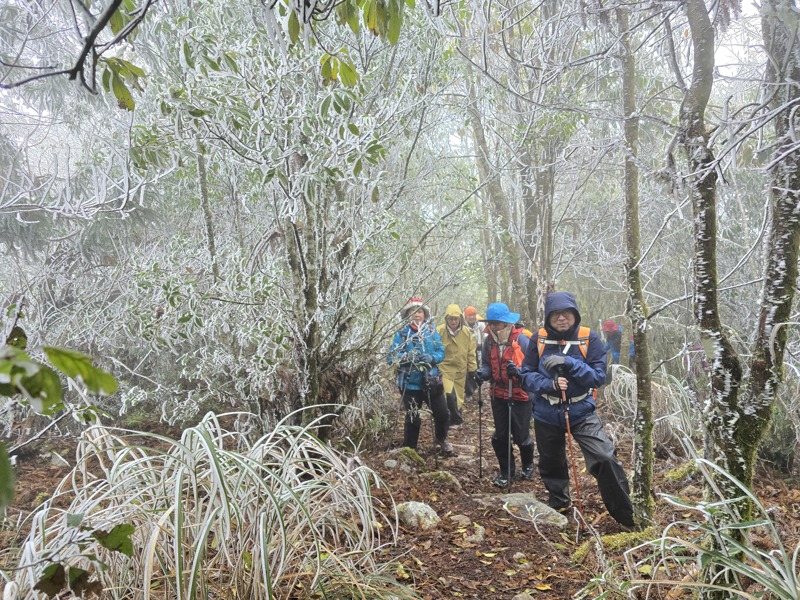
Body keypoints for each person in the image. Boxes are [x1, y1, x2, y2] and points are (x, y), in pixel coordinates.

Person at [519, 291, 634, 528]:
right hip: (546, 411)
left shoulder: (588, 337)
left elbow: (598, 377)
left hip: (581, 410)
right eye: (556, 315)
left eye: (566, 314)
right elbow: (526, 374)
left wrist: (570, 363)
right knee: (551, 461)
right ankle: (559, 503)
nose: (561, 319)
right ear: (548, 317)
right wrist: (548, 385)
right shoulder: (538, 339)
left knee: (603, 456)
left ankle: (626, 512)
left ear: (575, 315)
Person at [475, 302, 535, 487]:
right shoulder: (489, 341)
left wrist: (518, 371)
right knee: (500, 436)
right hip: (498, 394)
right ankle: (506, 472)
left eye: (497, 322)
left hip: (521, 394)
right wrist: (483, 373)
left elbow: (532, 366)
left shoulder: (522, 340)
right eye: (491, 322)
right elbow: (486, 363)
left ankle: (528, 464)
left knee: (520, 435)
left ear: (507, 322)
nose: (493, 326)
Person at [388, 296, 455, 456]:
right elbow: (391, 357)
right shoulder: (401, 334)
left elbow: (441, 352)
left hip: (432, 381)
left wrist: (432, 358)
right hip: (410, 384)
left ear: (425, 314)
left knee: (443, 413)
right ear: (408, 314)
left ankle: (441, 439)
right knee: (413, 417)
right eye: (413, 311)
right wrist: (409, 358)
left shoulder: (432, 332)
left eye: (419, 311)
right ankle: (410, 450)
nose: (417, 314)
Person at [437, 304, 477, 427]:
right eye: (451, 319)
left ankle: (454, 418)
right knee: (448, 393)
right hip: (445, 369)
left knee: (459, 397)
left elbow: (471, 352)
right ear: (446, 319)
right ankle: (452, 416)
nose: (453, 321)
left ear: (460, 318)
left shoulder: (467, 332)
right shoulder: (439, 331)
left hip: (461, 369)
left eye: (456, 319)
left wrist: (472, 370)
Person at [463, 306, 485, 399]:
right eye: (469, 315)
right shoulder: (462, 326)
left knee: (476, 371)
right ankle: (469, 392)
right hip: (466, 352)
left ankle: (474, 387)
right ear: (466, 316)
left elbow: (485, 337)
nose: (471, 317)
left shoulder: (481, 325)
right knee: (468, 372)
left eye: (473, 315)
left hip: (479, 350)